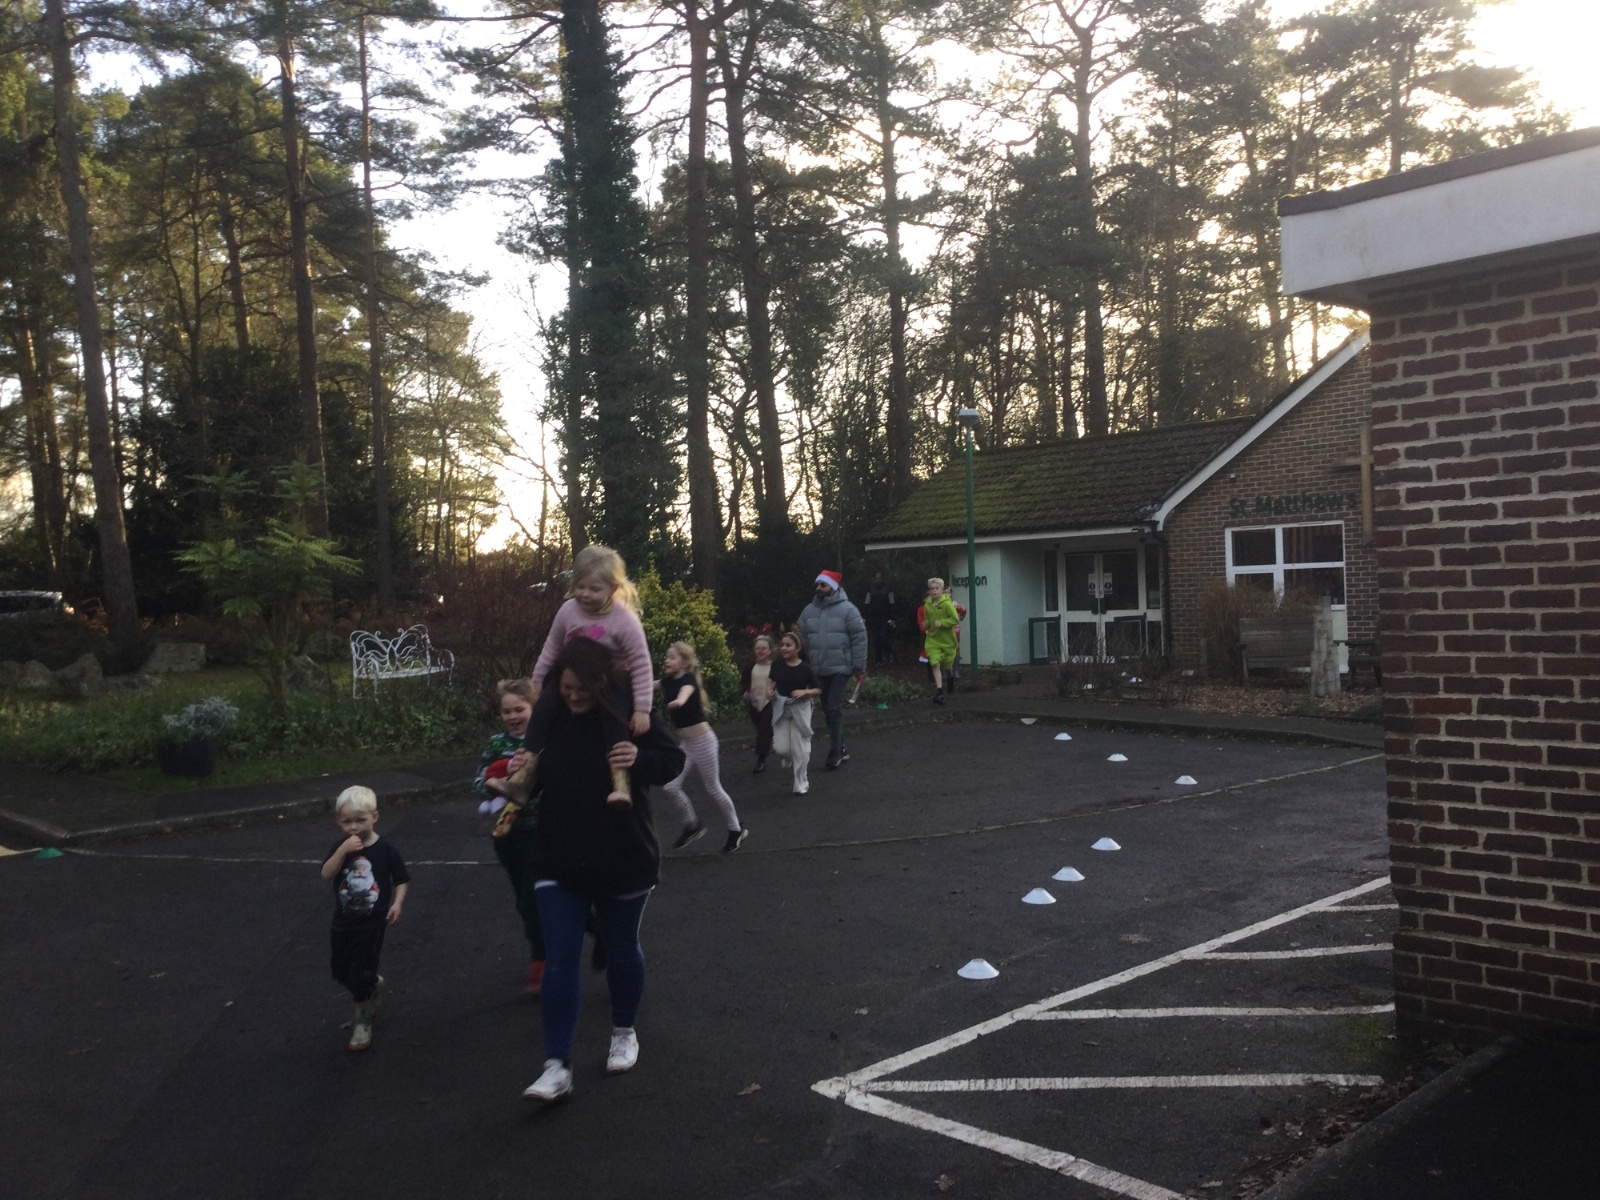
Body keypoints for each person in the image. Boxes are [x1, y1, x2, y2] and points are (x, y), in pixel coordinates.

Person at [521, 638, 685, 1103]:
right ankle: (556, 1065)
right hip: (558, 856)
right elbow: (537, 779)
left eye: (582, 688)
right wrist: (520, 771)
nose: (574, 696)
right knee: (560, 957)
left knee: (621, 948)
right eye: (566, 688)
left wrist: (639, 759)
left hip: (623, 854)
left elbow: (672, 760)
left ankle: (623, 1032)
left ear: (602, 683)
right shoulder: (550, 718)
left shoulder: (629, 713)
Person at [495, 544, 654, 809]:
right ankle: (522, 779)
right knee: (541, 711)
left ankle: (620, 785)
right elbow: (552, 647)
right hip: (570, 679)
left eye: (594, 589)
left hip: (610, 681)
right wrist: (537, 682)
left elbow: (641, 664)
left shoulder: (624, 621)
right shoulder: (568, 610)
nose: (585, 594)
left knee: (614, 721)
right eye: (580, 586)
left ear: (613, 588)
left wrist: (642, 709)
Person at [320, 786, 409, 1052]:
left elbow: (401, 878)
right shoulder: (341, 847)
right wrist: (342, 851)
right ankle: (372, 984)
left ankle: (362, 1022)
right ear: (338, 821)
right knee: (340, 971)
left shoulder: (385, 849)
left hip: (372, 923)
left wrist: (397, 903)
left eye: (360, 820)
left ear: (375, 817)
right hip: (343, 921)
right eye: (346, 821)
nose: (354, 827)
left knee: (360, 972)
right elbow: (326, 874)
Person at [476, 678, 547, 995]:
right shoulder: (496, 744)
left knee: (533, 898)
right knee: (523, 899)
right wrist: (502, 773)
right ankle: (593, 927)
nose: (513, 716)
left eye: (520, 709)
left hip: (541, 831)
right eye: (507, 711)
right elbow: (479, 784)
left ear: (534, 708)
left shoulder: (545, 738)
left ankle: (541, 962)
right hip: (507, 834)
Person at [659, 641, 748, 854]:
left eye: (672, 657)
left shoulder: (688, 681)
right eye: (667, 657)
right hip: (687, 744)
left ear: (684, 662)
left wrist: (679, 702)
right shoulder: (667, 681)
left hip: (704, 742)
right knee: (670, 786)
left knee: (713, 787)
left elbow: (685, 692)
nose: (667, 660)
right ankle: (693, 825)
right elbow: (643, 684)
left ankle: (736, 829)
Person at [795, 569, 866, 770]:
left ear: (833, 587)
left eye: (823, 585)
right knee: (828, 709)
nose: (818, 588)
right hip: (818, 668)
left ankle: (835, 751)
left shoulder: (848, 610)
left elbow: (859, 637)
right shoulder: (808, 611)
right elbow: (801, 639)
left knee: (833, 707)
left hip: (841, 667)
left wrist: (859, 665)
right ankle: (841, 746)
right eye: (817, 585)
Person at [768, 630, 821, 794]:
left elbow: (818, 689)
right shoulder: (777, 665)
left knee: (801, 748)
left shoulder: (805, 668)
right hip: (781, 708)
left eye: (788, 645)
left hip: (800, 709)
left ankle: (801, 783)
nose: (784, 648)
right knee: (780, 748)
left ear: (797, 648)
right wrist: (769, 690)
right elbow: (772, 679)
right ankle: (788, 756)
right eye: (782, 645)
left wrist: (805, 692)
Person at [922, 577, 961, 705]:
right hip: (933, 640)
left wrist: (942, 623)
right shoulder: (927, 605)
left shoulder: (947, 604)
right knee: (935, 663)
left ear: (942, 590)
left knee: (947, 666)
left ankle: (950, 678)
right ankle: (939, 691)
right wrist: (926, 624)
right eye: (932, 589)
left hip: (947, 640)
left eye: (937, 588)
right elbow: (928, 620)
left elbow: (955, 619)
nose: (934, 591)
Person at [741, 635, 776, 773]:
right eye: (758, 648)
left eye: (764, 648)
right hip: (754, 703)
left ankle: (761, 759)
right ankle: (771, 740)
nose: (760, 651)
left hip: (770, 703)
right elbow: (744, 682)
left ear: (770, 651)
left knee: (763, 730)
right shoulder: (750, 666)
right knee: (761, 728)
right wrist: (745, 692)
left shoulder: (775, 666)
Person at [862, 571, 897, 666]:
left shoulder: (888, 588)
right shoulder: (870, 589)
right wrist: (864, 616)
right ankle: (878, 660)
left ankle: (889, 652)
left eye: (880, 578)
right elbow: (866, 603)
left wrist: (892, 617)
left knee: (883, 636)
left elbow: (892, 603)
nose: (878, 580)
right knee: (876, 639)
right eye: (876, 578)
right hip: (874, 617)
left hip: (885, 617)